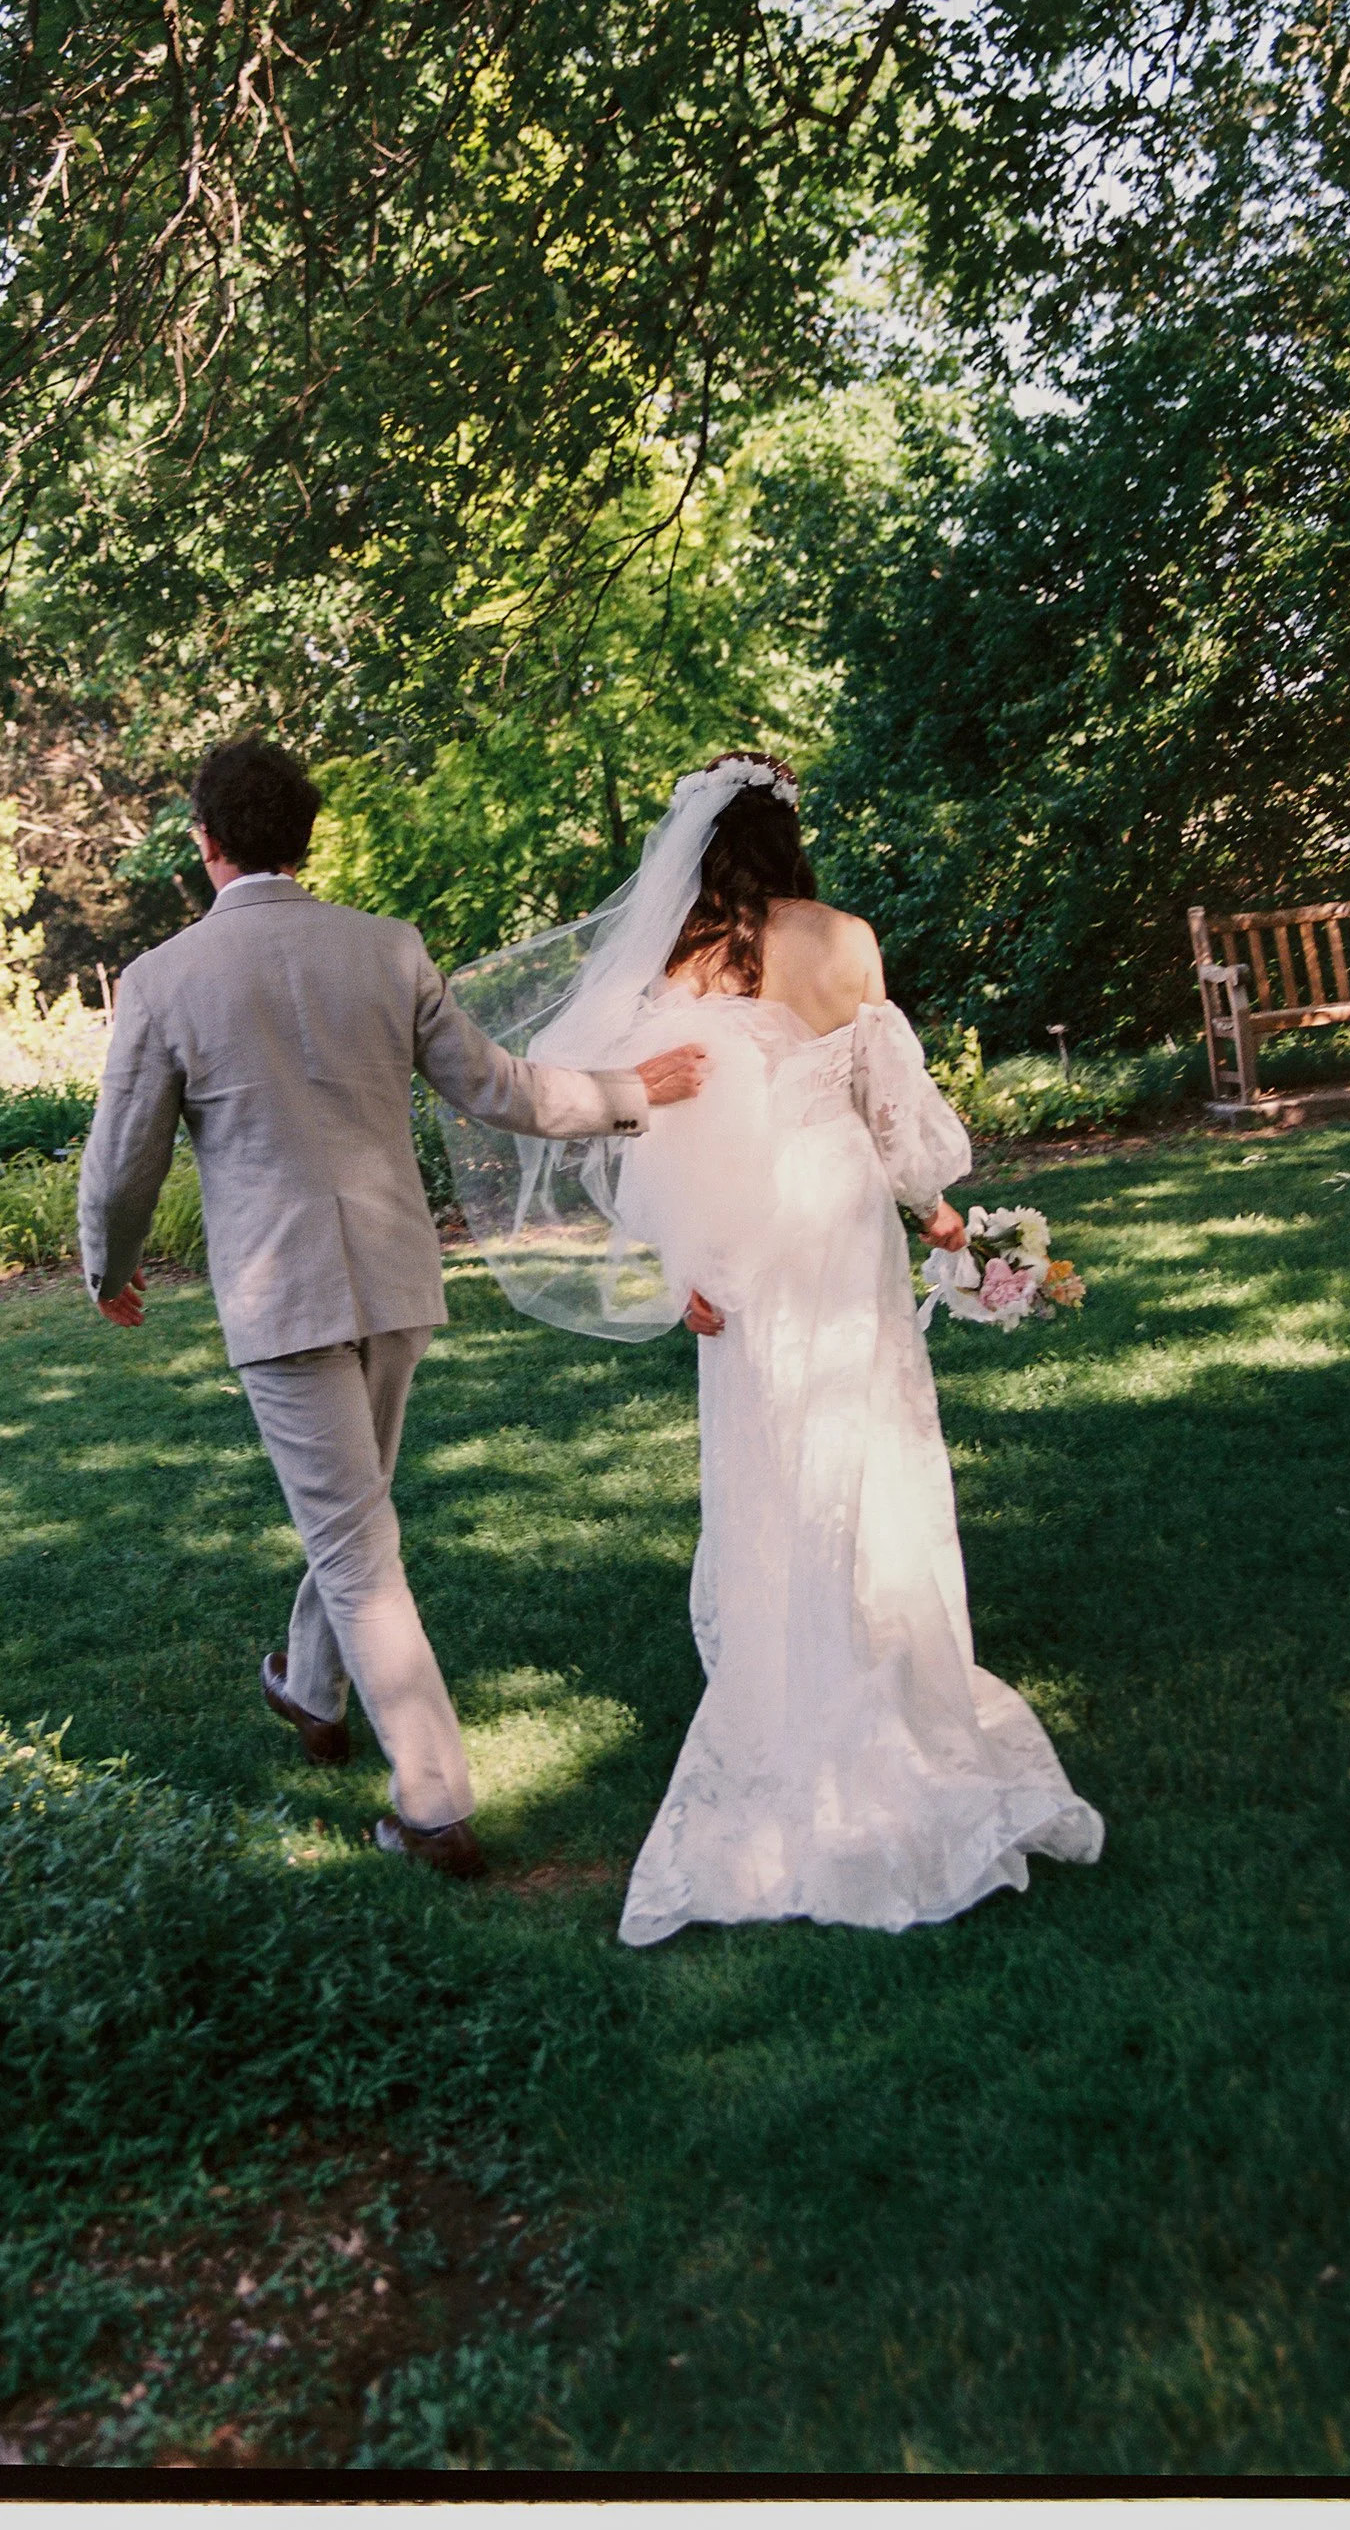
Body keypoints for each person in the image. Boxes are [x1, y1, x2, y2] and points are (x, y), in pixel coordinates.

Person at [440, 751, 1103, 1944]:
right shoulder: (844, 937)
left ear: (694, 847)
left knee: (770, 1452)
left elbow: (643, 1129)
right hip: (840, 1218)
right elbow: (891, 1116)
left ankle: (792, 1687)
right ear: (788, 835)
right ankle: (887, 1668)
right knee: (864, 1438)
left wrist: (683, 1265)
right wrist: (941, 1215)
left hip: (747, 1244)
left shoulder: (674, 965)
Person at [76, 733, 707, 1883]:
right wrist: (627, 1093)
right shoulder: (387, 946)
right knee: (355, 1519)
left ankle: (432, 1803)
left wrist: (107, 1266)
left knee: (357, 1548)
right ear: (300, 840)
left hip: (283, 1295)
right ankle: (307, 1687)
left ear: (205, 844)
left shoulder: (166, 977)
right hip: (394, 1275)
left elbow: (124, 1159)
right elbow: (496, 1087)